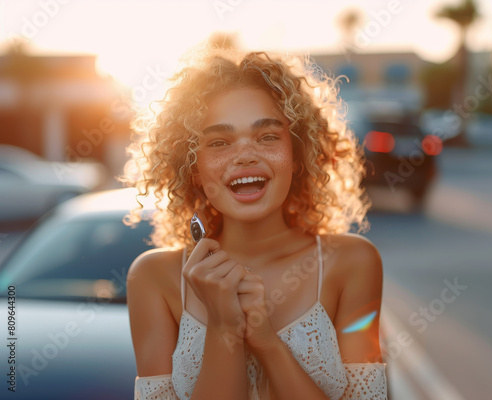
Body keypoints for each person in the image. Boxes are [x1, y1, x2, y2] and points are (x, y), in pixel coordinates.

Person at [124, 46, 388, 400]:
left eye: (267, 137)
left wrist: (265, 340)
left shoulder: (352, 262)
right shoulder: (153, 277)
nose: (245, 155)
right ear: (194, 171)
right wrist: (222, 326)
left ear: (297, 156)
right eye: (219, 142)